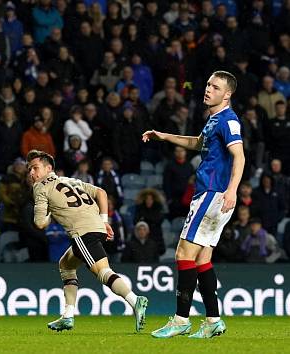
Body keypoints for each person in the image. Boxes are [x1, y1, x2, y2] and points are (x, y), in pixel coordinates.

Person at [142, 71, 245, 338]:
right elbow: (198, 143)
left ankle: (180, 320)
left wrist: (232, 189)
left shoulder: (228, 120)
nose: (208, 89)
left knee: (182, 254)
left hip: (213, 193)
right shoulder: (213, 120)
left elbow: (240, 156)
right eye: (208, 84)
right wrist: (164, 136)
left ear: (228, 94)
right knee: (202, 259)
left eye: (216, 87)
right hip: (215, 195)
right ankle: (213, 320)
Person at [26, 150, 148, 333]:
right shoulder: (69, 180)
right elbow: (101, 192)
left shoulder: (40, 187)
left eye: (35, 168)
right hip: (96, 226)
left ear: (48, 168)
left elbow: (40, 223)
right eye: (29, 169)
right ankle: (67, 316)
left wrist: (51, 211)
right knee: (66, 265)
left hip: (82, 232)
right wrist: (105, 221)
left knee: (103, 273)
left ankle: (134, 300)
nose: (32, 173)